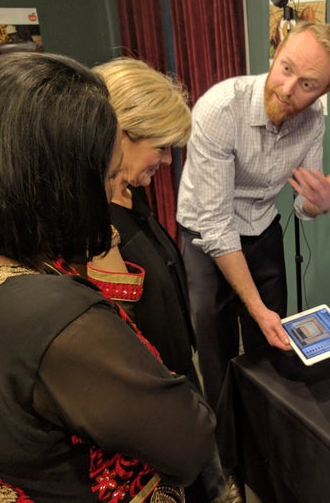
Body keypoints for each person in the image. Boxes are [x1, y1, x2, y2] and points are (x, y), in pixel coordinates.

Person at [0, 52, 217, 502]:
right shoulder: (60, 315)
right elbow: (188, 443)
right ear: (57, 177)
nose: (113, 189)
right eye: (104, 175)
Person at [177, 20, 330, 410]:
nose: (288, 89)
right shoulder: (221, 109)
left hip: (261, 225)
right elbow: (217, 226)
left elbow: (300, 204)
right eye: (286, 68)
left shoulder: (313, 120)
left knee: (272, 348)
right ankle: (231, 460)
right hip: (205, 237)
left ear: (325, 90)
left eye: (308, 84)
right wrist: (256, 309)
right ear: (276, 54)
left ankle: (266, 442)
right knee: (217, 354)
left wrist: (316, 204)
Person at [91, 57, 235, 502]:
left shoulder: (131, 194)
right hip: (149, 405)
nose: (169, 160)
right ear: (120, 134)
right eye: (161, 145)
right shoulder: (92, 226)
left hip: (175, 381)